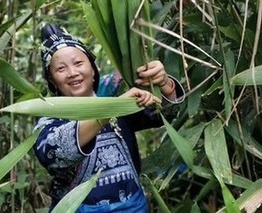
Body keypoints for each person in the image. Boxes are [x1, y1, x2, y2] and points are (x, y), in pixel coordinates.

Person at [33, 23, 185, 212]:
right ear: (52, 80)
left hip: (133, 207)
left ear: (92, 68)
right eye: (61, 69)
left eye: (79, 63)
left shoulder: (118, 98)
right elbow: (56, 153)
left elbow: (163, 115)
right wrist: (112, 109)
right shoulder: (49, 117)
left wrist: (165, 84)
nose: (72, 73)